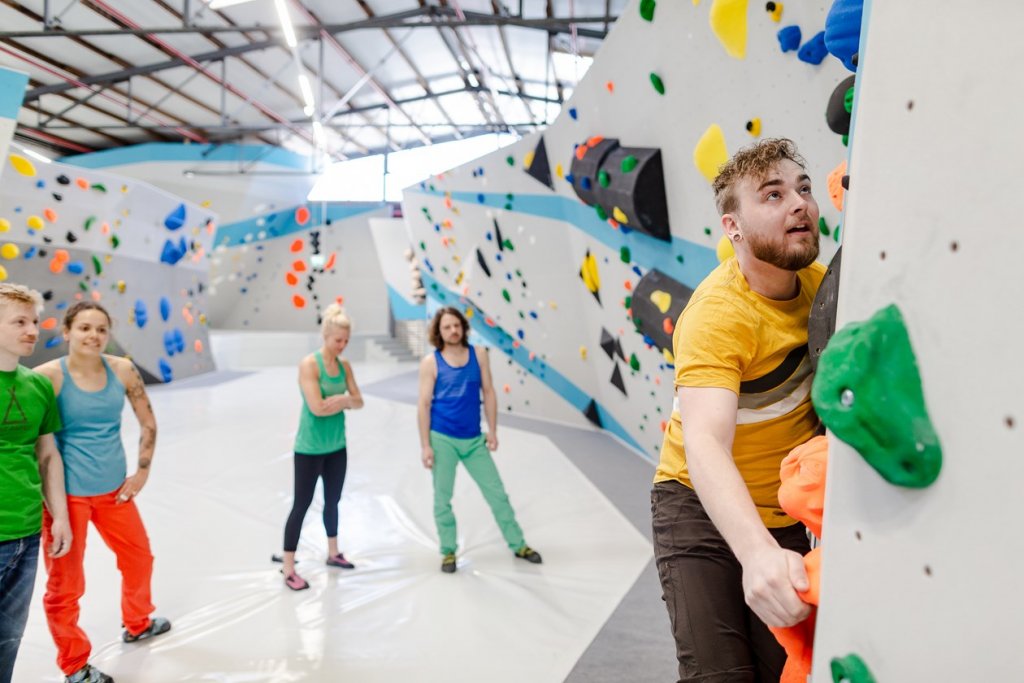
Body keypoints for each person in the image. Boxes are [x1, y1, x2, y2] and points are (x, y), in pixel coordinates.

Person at [651, 138, 827, 682]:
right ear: (733, 228)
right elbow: (704, 443)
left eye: (803, 188)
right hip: (695, 507)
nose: (798, 203)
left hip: (781, 511)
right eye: (772, 195)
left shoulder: (824, 288)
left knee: (785, 670)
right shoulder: (716, 315)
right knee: (719, 673)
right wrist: (755, 554)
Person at [34, 301, 170, 683]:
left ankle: (138, 622)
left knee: (139, 558)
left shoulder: (123, 370)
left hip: (115, 491)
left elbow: (148, 423)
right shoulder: (47, 378)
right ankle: (75, 665)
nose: (93, 336)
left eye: (100, 329)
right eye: (84, 328)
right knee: (65, 584)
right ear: (66, 333)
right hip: (67, 498)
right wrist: (51, 505)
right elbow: (36, 445)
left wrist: (141, 473)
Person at [417, 306, 541, 573]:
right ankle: (448, 551)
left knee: (497, 494)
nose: (453, 330)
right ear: (439, 332)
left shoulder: (479, 354)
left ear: (463, 327)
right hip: (442, 439)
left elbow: (489, 391)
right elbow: (424, 404)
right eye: (446, 327)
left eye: (456, 325)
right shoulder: (431, 362)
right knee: (442, 498)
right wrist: (426, 445)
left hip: (474, 439)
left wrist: (493, 431)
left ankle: (518, 544)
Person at [0, 283, 72, 683]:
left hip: (26, 532)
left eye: (34, 321)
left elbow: (47, 455)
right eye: (19, 322)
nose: (33, 330)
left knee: (8, 638)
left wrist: (58, 516)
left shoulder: (38, 386)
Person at [279, 304, 363, 591]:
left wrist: (339, 400)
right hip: (310, 448)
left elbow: (359, 400)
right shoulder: (310, 365)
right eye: (338, 340)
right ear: (326, 336)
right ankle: (288, 566)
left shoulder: (345, 366)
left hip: (336, 446)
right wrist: (344, 400)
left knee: (333, 501)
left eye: (346, 341)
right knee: (301, 505)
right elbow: (316, 408)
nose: (342, 345)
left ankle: (333, 552)